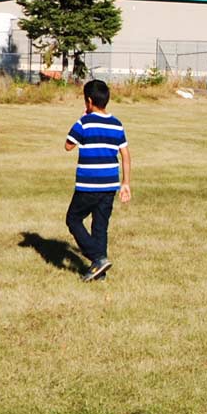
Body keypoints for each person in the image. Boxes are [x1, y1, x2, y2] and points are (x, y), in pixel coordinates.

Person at [64, 79, 131, 282]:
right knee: (100, 226)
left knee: (73, 219)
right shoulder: (117, 124)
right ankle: (99, 273)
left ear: (89, 101)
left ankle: (98, 258)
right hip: (110, 184)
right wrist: (125, 183)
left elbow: (68, 145)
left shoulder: (84, 122)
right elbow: (125, 155)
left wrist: (82, 118)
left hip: (88, 184)